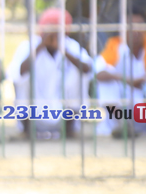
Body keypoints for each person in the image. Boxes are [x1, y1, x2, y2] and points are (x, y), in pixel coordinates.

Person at [7, 8, 94, 139]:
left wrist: (63, 50)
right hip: (34, 116)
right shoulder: (29, 45)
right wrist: (41, 46)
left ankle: (69, 131)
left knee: (78, 75)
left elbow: (88, 70)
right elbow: (17, 72)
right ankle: (26, 131)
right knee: (23, 79)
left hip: (64, 117)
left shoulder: (71, 46)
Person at [94, 9, 146, 137]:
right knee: (107, 79)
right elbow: (98, 73)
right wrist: (126, 80)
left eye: (140, 25)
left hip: (145, 107)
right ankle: (123, 125)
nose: (135, 30)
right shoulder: (114, 47)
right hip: (119, 112)